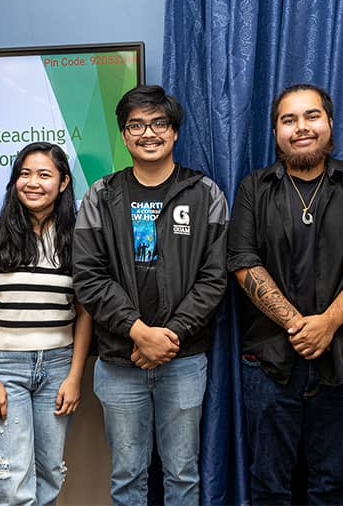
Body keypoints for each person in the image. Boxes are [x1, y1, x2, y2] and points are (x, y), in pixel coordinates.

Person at [227, 83, 343, 504]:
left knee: (330, 485)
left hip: (340, 360)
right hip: (268, 364)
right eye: (289, 120)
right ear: (276, 131)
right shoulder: (253, 188)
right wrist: (297, 325)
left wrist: (329, 323)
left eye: (312, 116)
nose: (301, 127)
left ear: (330, 124)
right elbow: (243, 263)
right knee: (268, 486)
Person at [72, 85, 228, 506]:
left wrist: (167, 337)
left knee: (182, 474)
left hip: (185, 359)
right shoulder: (100, 196)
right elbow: (88, 276)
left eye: (159, 123)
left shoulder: (205, 193)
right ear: (124, 136)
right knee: (127, 477)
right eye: (136, 125)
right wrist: (138, 332)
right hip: (121, 361)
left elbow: (214, 278)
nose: (148, 133)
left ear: (174, 132)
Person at [0, 142, 92, 506]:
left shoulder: (78, 238)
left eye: (44, 175)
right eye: (24, 174)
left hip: (57, 367)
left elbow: (85, 313)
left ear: (64, 183)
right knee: (10, 481)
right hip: (4, 366)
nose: (32, 182)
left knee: (50, 475)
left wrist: (74, 376)